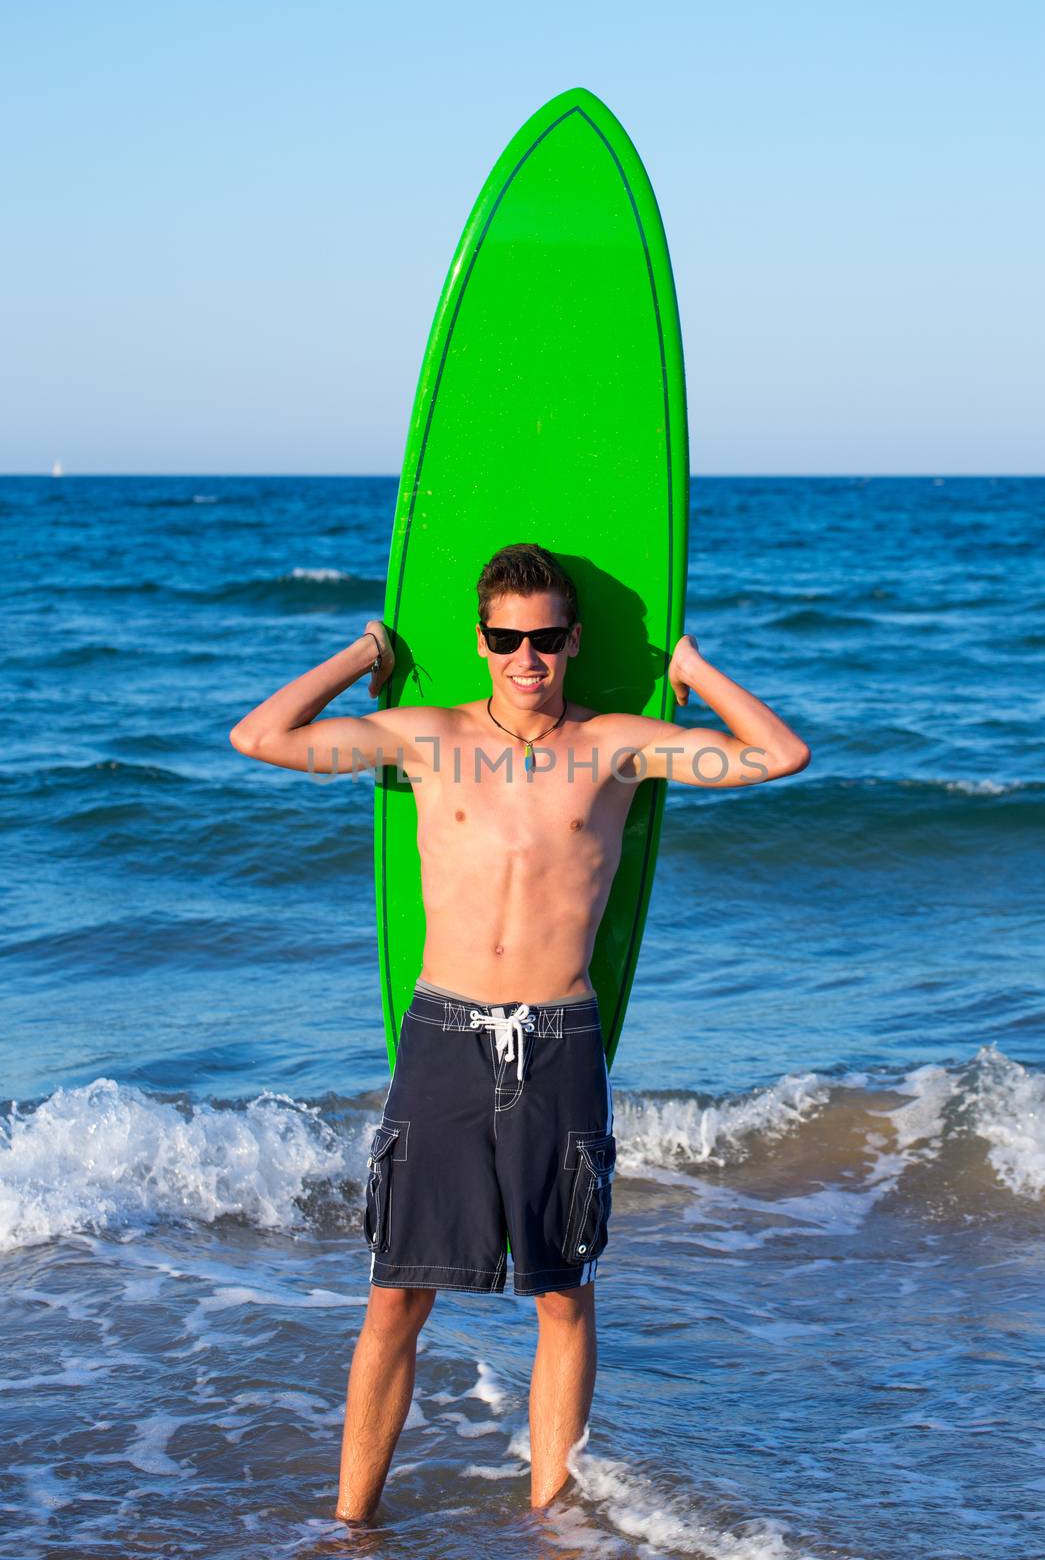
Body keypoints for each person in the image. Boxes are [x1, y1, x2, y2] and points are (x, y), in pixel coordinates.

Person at [229, 542, 810, 1522]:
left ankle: (554, 1522)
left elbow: (778, 755)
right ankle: (349, 1523)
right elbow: (259, 736)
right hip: (444, 1034)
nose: (526, 657)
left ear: (572, 640)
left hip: (559, 1038)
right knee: (396, 1295)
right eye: (506, 639)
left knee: (560, 1293)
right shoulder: (425, 736)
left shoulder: (617, 744)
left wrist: (692, 670)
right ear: (482, 640)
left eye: (544, 638)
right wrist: (363, 648)